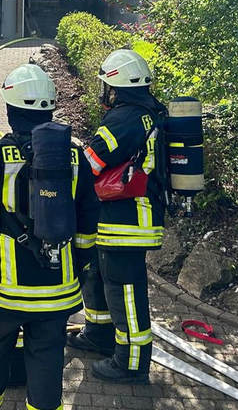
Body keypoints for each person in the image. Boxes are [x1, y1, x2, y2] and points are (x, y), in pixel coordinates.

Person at [0, 64, 99, 410]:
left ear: (11, 110)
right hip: (57, 290)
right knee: (48, 357)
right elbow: (88, 220)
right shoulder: (76, 156)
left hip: (3, 288)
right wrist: (80, 264)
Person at [67, 49, 167, 384]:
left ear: (116, 86)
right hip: (121, 215)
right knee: (98, 276)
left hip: (127, 220)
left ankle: (132, 363)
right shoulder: (148, 112)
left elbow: (90, 165)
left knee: (125, 291)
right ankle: (99, 335)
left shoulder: (124, 119)